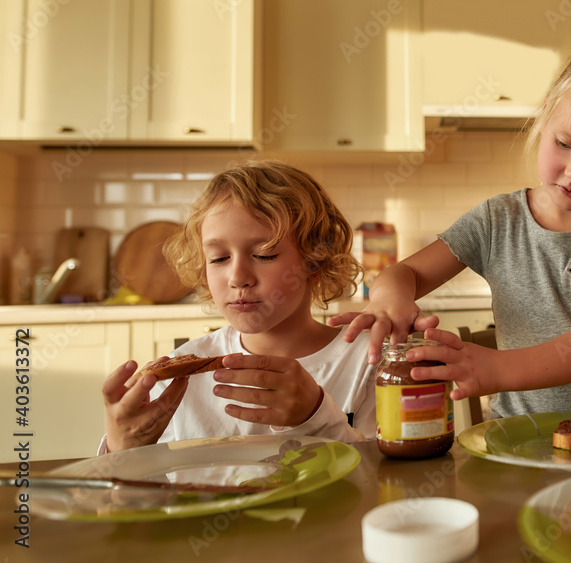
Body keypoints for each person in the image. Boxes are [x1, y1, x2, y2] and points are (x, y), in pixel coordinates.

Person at [331, 40, 571, 418]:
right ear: (545, 116)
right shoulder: (496, 220)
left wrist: (496, 368)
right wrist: (387, 299)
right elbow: (405, 273)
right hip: (519, 432)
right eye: (563, 143)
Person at [100, 161, 374, 453]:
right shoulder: (177, 378)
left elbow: (388, 483)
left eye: (264, 254)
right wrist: (121, 449)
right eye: (218, 258)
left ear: (315, 259)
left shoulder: (369, 362)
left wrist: (317, 418)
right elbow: (146, 490)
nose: (237, 277)